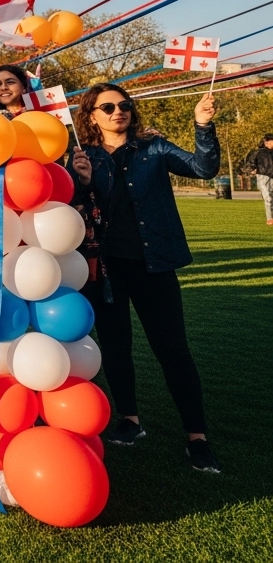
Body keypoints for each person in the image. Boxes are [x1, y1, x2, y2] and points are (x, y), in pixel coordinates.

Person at [69, 85, 221, 473]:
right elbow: (71, 210)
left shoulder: (154, 148)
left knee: (173, 350)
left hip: (154, 265)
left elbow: (203, 168)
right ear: (92, 115)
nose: (117, 111)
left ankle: (197, 437)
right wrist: (81, 182)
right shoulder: (84, 156)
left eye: (124, 105)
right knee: (115, 347)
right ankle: (129, 420)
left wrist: (203, 125)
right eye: (107, 107)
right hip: (106, 268)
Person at [239, 133, 273, 224]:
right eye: (267, 141)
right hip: (262, 177)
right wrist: (250, 170)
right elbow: (250, 163)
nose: (268, 143)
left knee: (271, 197)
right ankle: (269, 218)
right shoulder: (259, 152)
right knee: (268, 198)